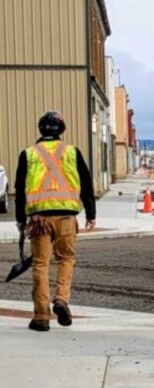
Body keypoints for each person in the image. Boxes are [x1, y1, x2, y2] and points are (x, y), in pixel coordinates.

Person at [14, 111, 96, 331]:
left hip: (39, 218)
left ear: (40, 129)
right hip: (67, 217)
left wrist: (21, 219)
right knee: (65, 260)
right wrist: (91, 214)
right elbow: (87, 185)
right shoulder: (72, 152)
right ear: (62, 130)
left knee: (40, 264)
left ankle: (41, 317)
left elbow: (20, 190)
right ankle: (61, 299)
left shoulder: (28, 154)